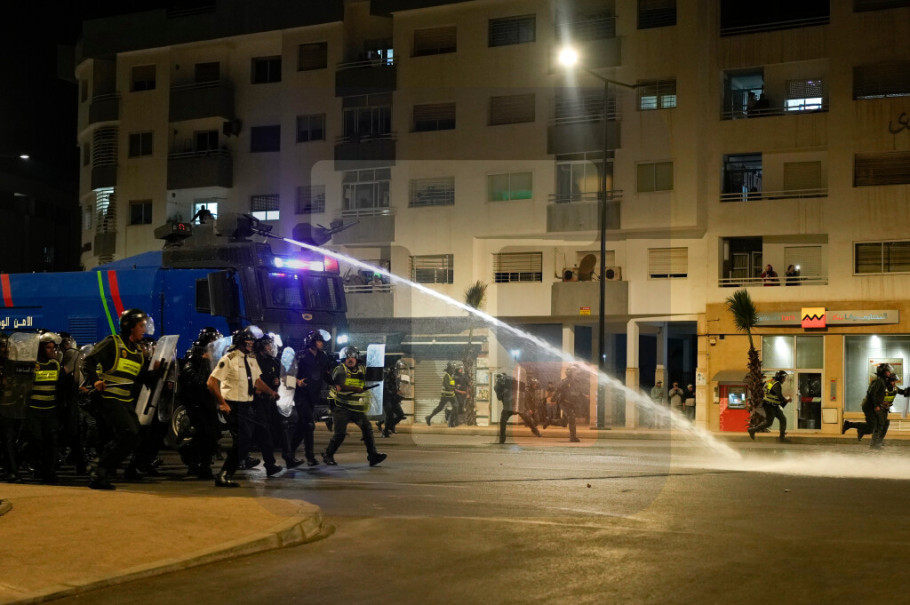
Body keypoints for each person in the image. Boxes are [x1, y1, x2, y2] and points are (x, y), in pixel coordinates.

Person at [83, 309, 161, 490]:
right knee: (128, 433)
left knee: (135, 438)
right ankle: (99, 468)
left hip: (125, 400)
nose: (144, 330)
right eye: (141, 326)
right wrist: (95, 381)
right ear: (130, 326)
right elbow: (89, 361)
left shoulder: (138, 352)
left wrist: (157, 371)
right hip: (109, 397)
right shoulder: (113, 343)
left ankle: (101, 470)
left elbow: (141, 378)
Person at [207, 326, 282, 488]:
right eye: (247, 342)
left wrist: (271, 392)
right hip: (232, 405)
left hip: (247, 405)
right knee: (242, 439)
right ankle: (224, 474)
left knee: (246, 440)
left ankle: (227, 472)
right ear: (240, 342)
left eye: (252, 342)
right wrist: (222, 403)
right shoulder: (229, 359)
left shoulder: (251, 359)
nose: (250, 344)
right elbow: (211, 382)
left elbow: (257, 381)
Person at [321, 346, 386, 467]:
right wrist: (356, 389)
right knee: (340, 433)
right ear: (343, 360)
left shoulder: (361, 369)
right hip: (341, 407)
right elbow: (340, 386)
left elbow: (373, 376)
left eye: (352, 357)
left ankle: (373, 455)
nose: (350, 359)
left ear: (357, 358)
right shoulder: (341, 370)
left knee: (367, 428)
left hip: (355, 408)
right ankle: (328, 455)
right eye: (347, 358)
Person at [177, 327, 223, 480]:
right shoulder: (193, 357)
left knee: (214, 433)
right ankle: (200, 464)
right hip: (196, 402)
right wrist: (204, 361)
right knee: (208, 434)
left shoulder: (213, 357)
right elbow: (197, 381)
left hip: (208, 401)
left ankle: (195, 460)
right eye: (213, 339)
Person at [255, 334, 302, 469]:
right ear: (261, 347)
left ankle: (288, 457)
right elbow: (255, 382)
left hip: (271, 400)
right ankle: (264, 463)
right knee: (263, 433)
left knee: (284, 425)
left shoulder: (274, 361)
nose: (271, 347)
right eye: (267, 345)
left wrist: (297, 382)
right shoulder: (255, 361)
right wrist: (269, 390)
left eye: (271, 344)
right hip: (258, 402)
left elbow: (283, 377)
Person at [25, 332, 63, 483]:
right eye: (48, 348)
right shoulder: (33, 365)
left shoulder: (55, 365)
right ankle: (38, 468)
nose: (52, 351)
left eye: (53, 348)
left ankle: (49, 472)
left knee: (52, 441)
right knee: (37, 441)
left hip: (50, 410)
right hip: (34, 410)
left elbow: (59, 387)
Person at [294, 330, 330, 466]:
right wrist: (297, 382)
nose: (321, 343)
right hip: (301, 395)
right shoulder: (300, 356)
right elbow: (286, 374)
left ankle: (289, 453)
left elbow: (325, 374)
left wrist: (336, 384)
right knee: (309, 425)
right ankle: (310, 457)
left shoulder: (323, 356)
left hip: (313, 395)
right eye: (318, 341)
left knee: (301, 426)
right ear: (311, 342)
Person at [494, 373, 541, 444]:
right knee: (528, 419)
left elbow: (500, 397)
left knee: (503, 422)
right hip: (513, 406)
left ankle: (502, 439)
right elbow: (500, 397)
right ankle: (536, 432)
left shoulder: (502, 385)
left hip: (513, 406)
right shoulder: (500, 386)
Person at [749, 370, 791, 442]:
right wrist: (787, 400)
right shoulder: (777, 385)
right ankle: (752, 430)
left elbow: (772, 394)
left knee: (783, 419)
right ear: (780, 378)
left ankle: (782, 437)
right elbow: (779, 396)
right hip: (769, 405)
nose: (784, 380)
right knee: (769, 423)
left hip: (773, 405)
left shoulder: (772, 382)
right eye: (784, 378)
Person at [555, 365, 588, 442]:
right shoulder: (565, 381)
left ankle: (550, 421)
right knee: (572, 418)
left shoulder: (576, 382)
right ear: (570, 373)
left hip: (571, 404)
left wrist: (584, 395)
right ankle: (573, 437)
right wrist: (556, 399)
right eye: (574, 372)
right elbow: (558, 390)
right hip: (564, 403)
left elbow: (577, 392)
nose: (576, 374)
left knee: (564, 422)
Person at [378, 360, 406, 438]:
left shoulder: (395, 379)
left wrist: (400, 392)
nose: (396, 374)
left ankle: (388, 427)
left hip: (393, 399)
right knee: (389, 415)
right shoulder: (386, 378)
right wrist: (395, 393)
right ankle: (385, 431)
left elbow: (397, 388)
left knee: (400, 414)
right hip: (387, 399)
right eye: (395, 372)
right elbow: (386, 390)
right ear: (392, 372)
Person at [425, 362, 459, 427]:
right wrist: (452, 388)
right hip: (445, 396)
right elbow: (446, 386)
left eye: (453, 369)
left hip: (451, 395)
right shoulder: (446, 376)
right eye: (452, 369)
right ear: (449, 370)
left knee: (456, 406)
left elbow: (452, 386)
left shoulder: (451, 377)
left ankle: (451, 422)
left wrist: (455, 387)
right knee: (440, 408)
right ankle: (429, 417)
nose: (453, 371)